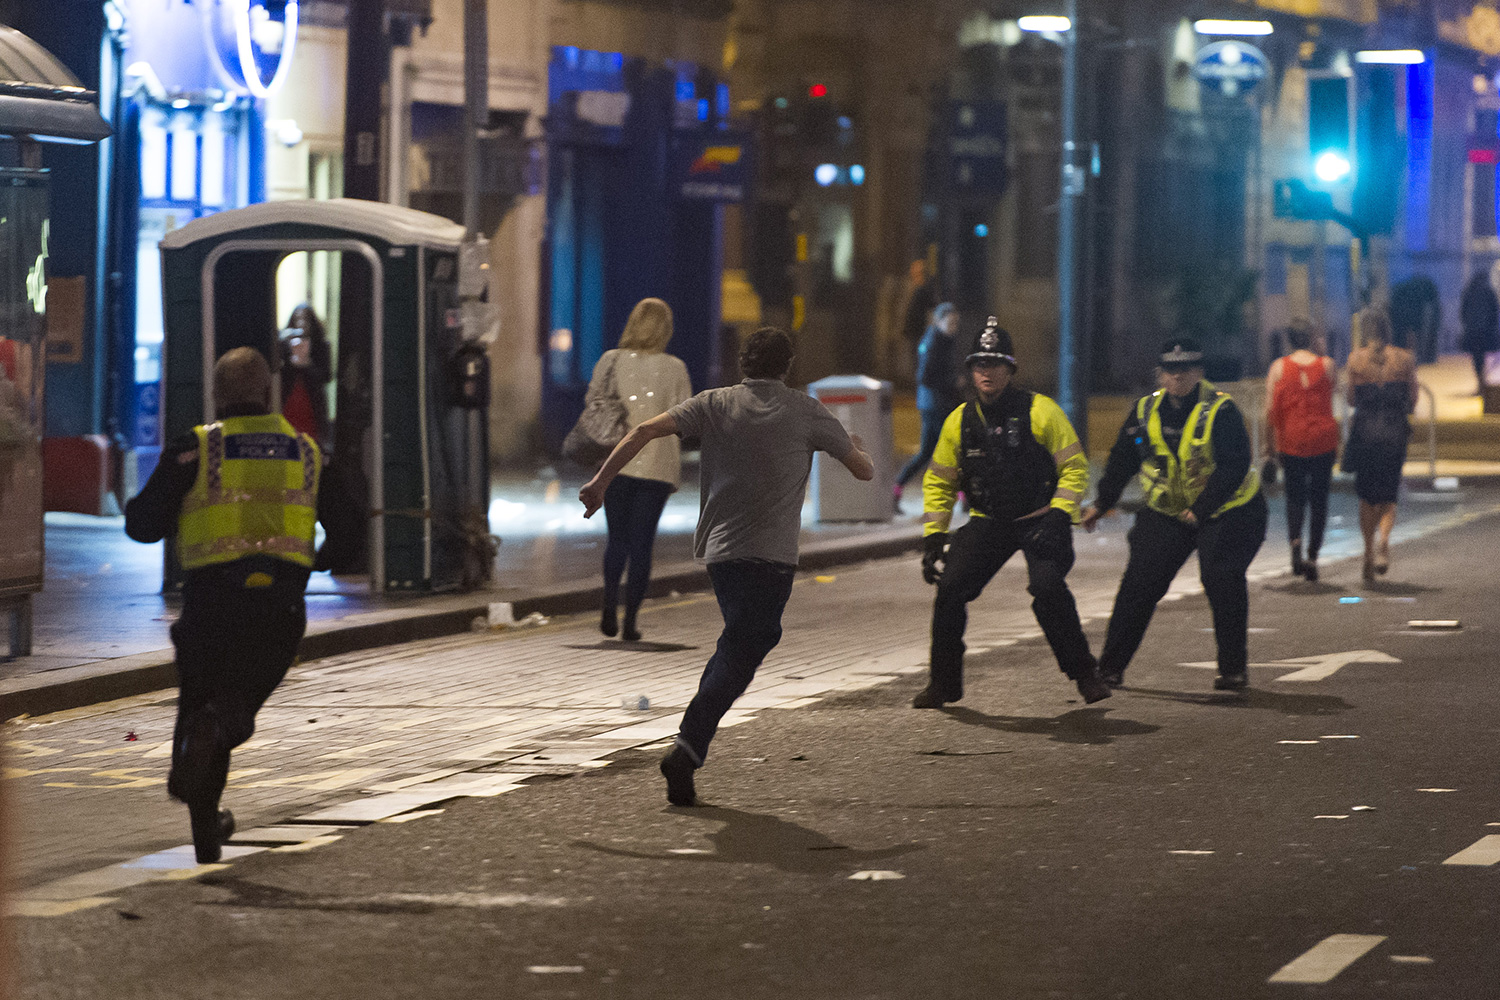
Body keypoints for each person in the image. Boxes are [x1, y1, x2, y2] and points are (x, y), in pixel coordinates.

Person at [579, 328, 874, 806]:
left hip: (721, 553)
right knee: (746, 647)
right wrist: (853, 445)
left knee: (739, 642)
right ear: (788, 365)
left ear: (743, 364)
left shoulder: (714, 403)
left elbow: (642, 431)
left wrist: (599, 483)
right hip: (772, 556)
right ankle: (686, 749)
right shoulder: (806, 410)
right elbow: (864, 472)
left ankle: (688, 749)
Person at [125, 347, 358, 863]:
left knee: (199, 700)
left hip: (209, 606)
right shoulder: (309, 452)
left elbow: (141, 526)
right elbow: (351, 531)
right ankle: (213, 757)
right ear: (269, 393)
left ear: (217, 395)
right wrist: (318, 562)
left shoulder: (196, 450)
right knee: (232, 707)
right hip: (277, 609)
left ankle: (205, 824)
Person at [916, 319, 1110, 708]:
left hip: (1040, 518)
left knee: (1047, 588)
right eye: (979, 364)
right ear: (971, 371)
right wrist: (935, 536)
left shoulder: (1041, 411)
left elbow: (1074, 468)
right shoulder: (959, 422)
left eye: (995, 364)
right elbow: (938, 481)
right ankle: (944, 684)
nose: (987, 372)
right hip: (989, 521)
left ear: (1010, 370)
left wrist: (1059, 514)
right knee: (951, 589)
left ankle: (1086, 674)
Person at [1080, 338, 1267, 692]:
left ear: (1199, 372)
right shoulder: (1144, 412)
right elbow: (1122, 460)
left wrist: (1201, 509)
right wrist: (1102, 503)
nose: (1178, 376)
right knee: (1139, 582)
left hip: (1230, 510)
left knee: (1220, 577)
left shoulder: (1220, 411)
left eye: (1186, 369)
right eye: (1171, 370)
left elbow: (1234, 467)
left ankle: (1232, 669)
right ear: (1160, 375)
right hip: (1168, 511)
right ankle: (1109, 669)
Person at [590, 298, 693, 641]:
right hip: (658, 466)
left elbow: (594, 401)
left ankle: (608, 606)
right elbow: (684, 418)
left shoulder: (610, 360)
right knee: (642, 544)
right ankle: (631, 620)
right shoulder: (675, 367)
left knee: (616, 539)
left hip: (616, 460)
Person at [1343, 310, 1418, 582]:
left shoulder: (1355, 359)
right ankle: (1384, 540)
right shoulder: (1405, 359)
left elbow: (1351, 399)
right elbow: (1413, 398)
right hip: (1394, 432)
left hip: (1365, 433)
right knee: (1388, 495)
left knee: (1366, 496)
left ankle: (1367, 550)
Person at [1264, 320, 1339, 582]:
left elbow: (1271, 411)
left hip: (1292, 439)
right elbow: (1333, 394)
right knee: (1319, 498)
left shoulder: (1278, 368)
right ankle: (1312, 555)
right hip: (1323, 438)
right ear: (1311, 337)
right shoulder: (1327, 365)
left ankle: (1295, 543)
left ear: (1288, 339)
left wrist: (1268, 447)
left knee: (1294, 496)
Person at [895, 302, 962, 508]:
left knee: (927, 453)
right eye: (950, 323)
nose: (953, 328)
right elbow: (924, 376)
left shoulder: (939, 340)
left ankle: (896, 490)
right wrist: (953, 382)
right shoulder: (935, 343)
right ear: (938, 321)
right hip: (936, 407)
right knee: (954, 450)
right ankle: (964, 499)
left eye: (955, 324)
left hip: (933, 405)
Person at [278, 304, 332, 445]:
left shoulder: (321, 345)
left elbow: (326, 376)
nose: (301, 323)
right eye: (297, 318)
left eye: (305, 319)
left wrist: (307, 363)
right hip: (289, 400)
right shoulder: (284, 344)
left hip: (312, 403)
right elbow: (279, 375)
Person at [1459, 271, 1498, 396]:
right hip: (1485, 332)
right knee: (1484, 360)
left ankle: (1481, 384)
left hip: (1473, 332)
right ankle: (1483, 384)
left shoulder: (1469, 292)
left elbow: (1463, 312)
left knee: (1477, 359)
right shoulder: (1488, 292)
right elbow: (1494, 311)